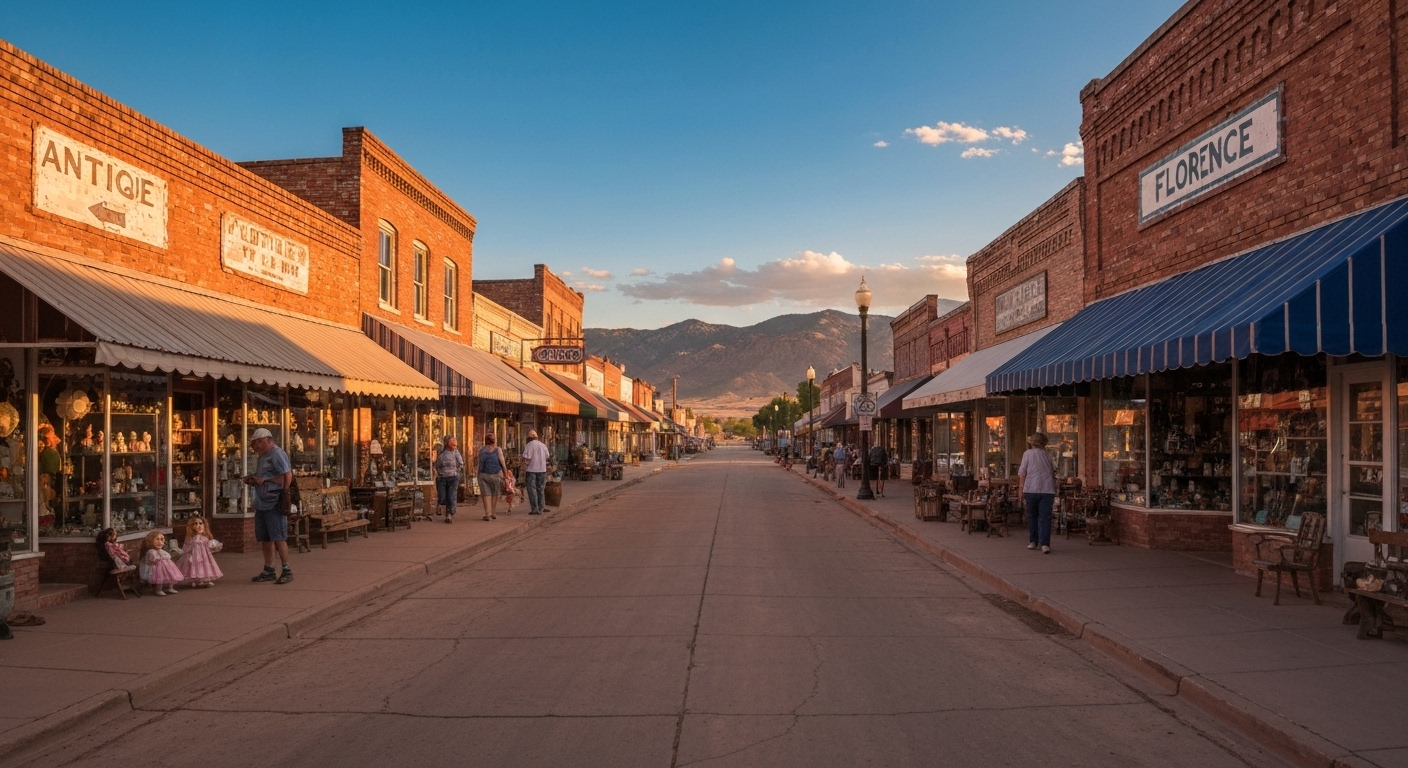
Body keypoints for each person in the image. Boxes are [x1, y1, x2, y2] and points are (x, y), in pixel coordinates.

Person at [244, 427, 293, 583]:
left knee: (279, 537)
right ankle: (269, 569)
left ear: (268, 440)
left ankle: (286, 569)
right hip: (262, 502)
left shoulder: (277, 454)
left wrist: (266, 482)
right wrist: (255, 479)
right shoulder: (263, 456)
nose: (256, 447)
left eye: (258, 443)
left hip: (274, 501)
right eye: (254, 444)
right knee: (266, 538)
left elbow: (286, 476)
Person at [1018, 432, 1058, 554]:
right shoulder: (1047, 455)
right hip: (1047, 489)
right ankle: (1045, 543)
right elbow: (1052, 472)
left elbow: (1022, 473)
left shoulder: (1027, 454)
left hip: (1031, 488)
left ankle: (1033, 541)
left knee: (1032, 516)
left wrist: (1020, 489)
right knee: (1045, 517)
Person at [477, 433, 508, 521]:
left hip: (483, 475)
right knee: (495, 493)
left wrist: (478, 474)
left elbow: (480, 463)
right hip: (496, 474)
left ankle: (488, 514)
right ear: (494, 441)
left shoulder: (482, 450)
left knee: (486, 494)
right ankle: (493, 512)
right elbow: (502, 462)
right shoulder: (498, 450)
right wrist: (505, 474)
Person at [435, 436, 466, 524]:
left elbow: (461, 463)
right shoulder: (442, 454)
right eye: (451, 441)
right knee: (443, 496)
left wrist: (458, 472)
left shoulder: (456, 453)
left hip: (453, 477)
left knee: (451, 495)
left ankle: (449, 513)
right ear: (446, 443)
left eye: (454, 441)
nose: (454, 443)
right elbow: (438, 465)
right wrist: (439, 473)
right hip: (442, 478)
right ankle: (445, 509)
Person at [522, 430, 550, 516]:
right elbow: (547, 456)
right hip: (542, 470)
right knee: (540, 489)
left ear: (529, 437)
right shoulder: (543, 445)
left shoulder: (529, 445)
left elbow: (527, 457)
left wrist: (523, 467)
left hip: (531, 470)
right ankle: (541, 507)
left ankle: (535, 508)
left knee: (532, 490)